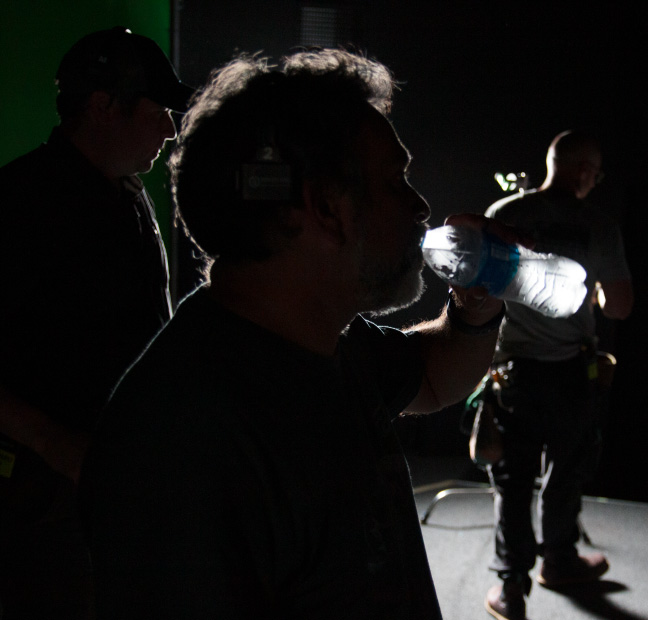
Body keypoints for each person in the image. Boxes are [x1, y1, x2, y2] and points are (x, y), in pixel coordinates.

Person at [79, 49, 517, 620]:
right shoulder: (175, 446)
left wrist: (474, 308)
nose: (421, 206)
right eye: (396, 181)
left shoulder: (328, 340)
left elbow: (434, 377)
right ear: (325, 209)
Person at [0, 27, 193, 619]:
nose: (171, 129)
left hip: (119, 498)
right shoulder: (18, 204)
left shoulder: (127, 194)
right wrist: (55, 444)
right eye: (158, 112)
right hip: (43, 512)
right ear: (103, 106)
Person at [482, 130, 634, 620]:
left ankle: (512, 587)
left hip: (514, 372)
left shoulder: (504, 213)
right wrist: (595, 292)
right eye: (595, 174)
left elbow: (481, 290)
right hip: (572, 371)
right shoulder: (598, 225)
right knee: (566, 470)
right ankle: (559, 560)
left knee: (512, 480)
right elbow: (621, 306)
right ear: (584, 171)